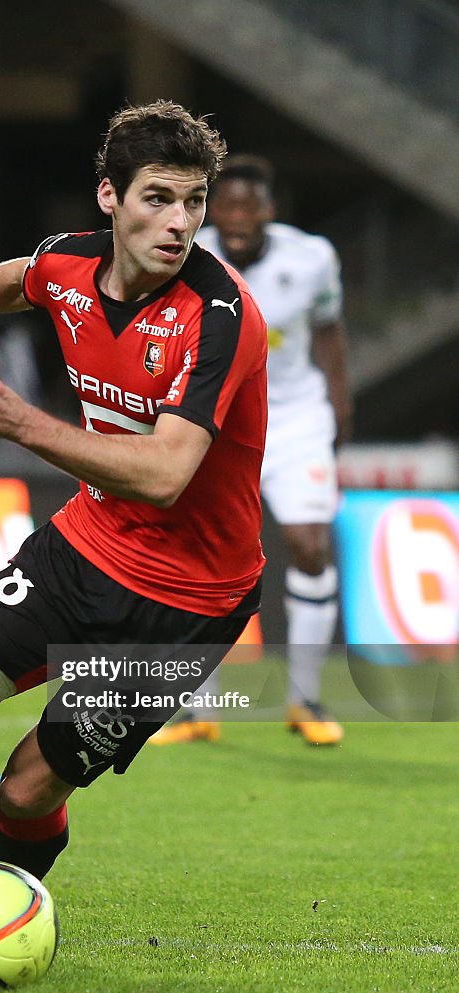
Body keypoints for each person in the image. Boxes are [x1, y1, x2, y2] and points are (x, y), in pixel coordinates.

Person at [0, 101, 268, 906]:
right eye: (158, 197)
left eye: (193, 201)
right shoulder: (71, 267)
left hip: (184, 601)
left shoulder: (222, 318)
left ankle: (3, 914)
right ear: (109, 198)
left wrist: (23, 424)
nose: (181, 222)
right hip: (83, 547)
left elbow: (163, 475)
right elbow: (23, 278)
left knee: (29, 791)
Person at [151, 154, 351, 748]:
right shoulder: (190, 252)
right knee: (204, 554)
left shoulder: (312, 258)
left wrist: (340, 410)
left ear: (267, 210)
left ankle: (306, 700)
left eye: (248, 205)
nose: (236, 217)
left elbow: (330, 331)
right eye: (226, 205)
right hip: (219, 421)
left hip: (294, 419)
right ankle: (197, 711)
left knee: (309, 545)